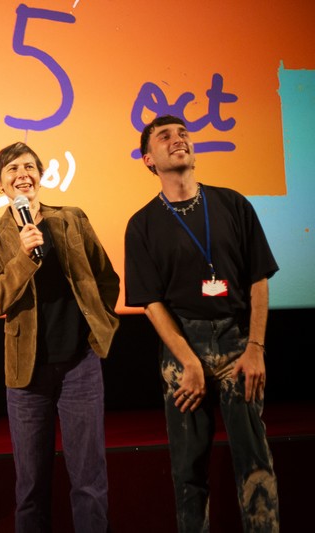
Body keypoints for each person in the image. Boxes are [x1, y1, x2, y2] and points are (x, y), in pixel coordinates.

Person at [125, 115, 280, 532]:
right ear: (148, 159)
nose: (178, 140)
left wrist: (256, 348)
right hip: (182, 345)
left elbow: (258, 279)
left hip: (237, 341)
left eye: (183, 134)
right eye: (165, 137)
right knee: (188, 468)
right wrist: (188, 362)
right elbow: (152, 303)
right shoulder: (142, 224)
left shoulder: (232, 204)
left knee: (255, 461)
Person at [0, 142, 120, 532]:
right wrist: (24, 257)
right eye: (12, 170)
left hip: (79, 365)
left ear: (40, 174)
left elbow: (105, 277)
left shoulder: (71, 218)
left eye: (29, 166)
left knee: (89, 481)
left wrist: (100, 324)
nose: (23, 174)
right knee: (31, 485)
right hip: (27, 373)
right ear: (0, 185)